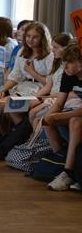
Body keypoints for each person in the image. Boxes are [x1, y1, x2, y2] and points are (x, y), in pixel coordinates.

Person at [41, 44, 82, 191]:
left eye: (70, 62)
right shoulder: (68, 74)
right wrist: (47, 118)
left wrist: (58, 116)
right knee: (47, 120)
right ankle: (60, 159)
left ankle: (69, 172)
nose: (65, 66)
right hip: (77, 110)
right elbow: (59, 103)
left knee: (75, 121)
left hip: (78, 114)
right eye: (64, 62)